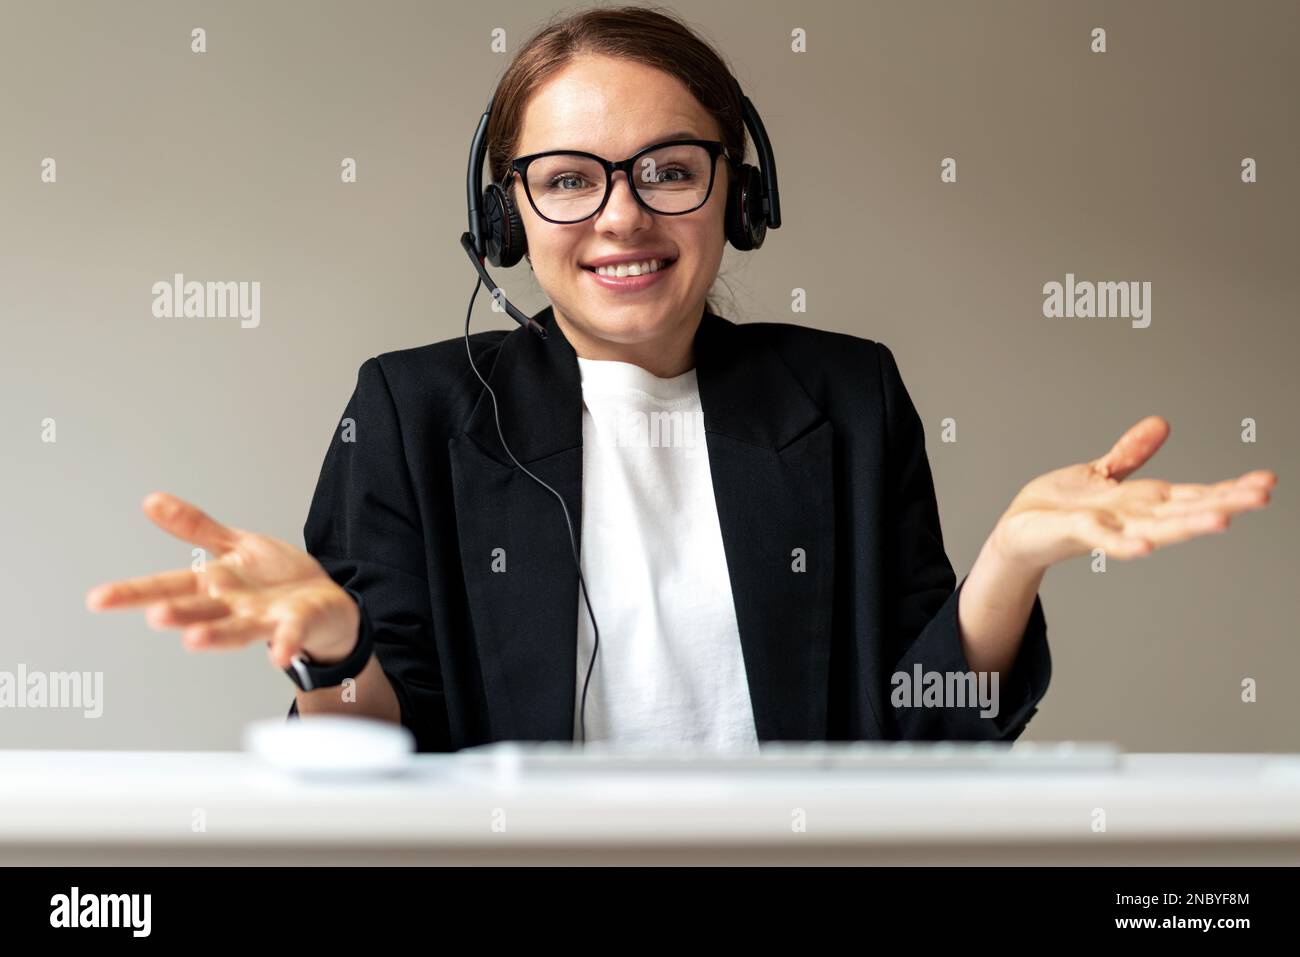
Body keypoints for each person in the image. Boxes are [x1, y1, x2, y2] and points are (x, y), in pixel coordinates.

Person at [85, 6, 1275, 753]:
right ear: (507, 214)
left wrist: (1009, 563)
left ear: (738, 193)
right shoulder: (416, 413)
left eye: (666, 168)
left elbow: (935, 738)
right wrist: (338, 654)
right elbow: (382, 769)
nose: (620, 217)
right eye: (567, 178)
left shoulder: (844, 400)